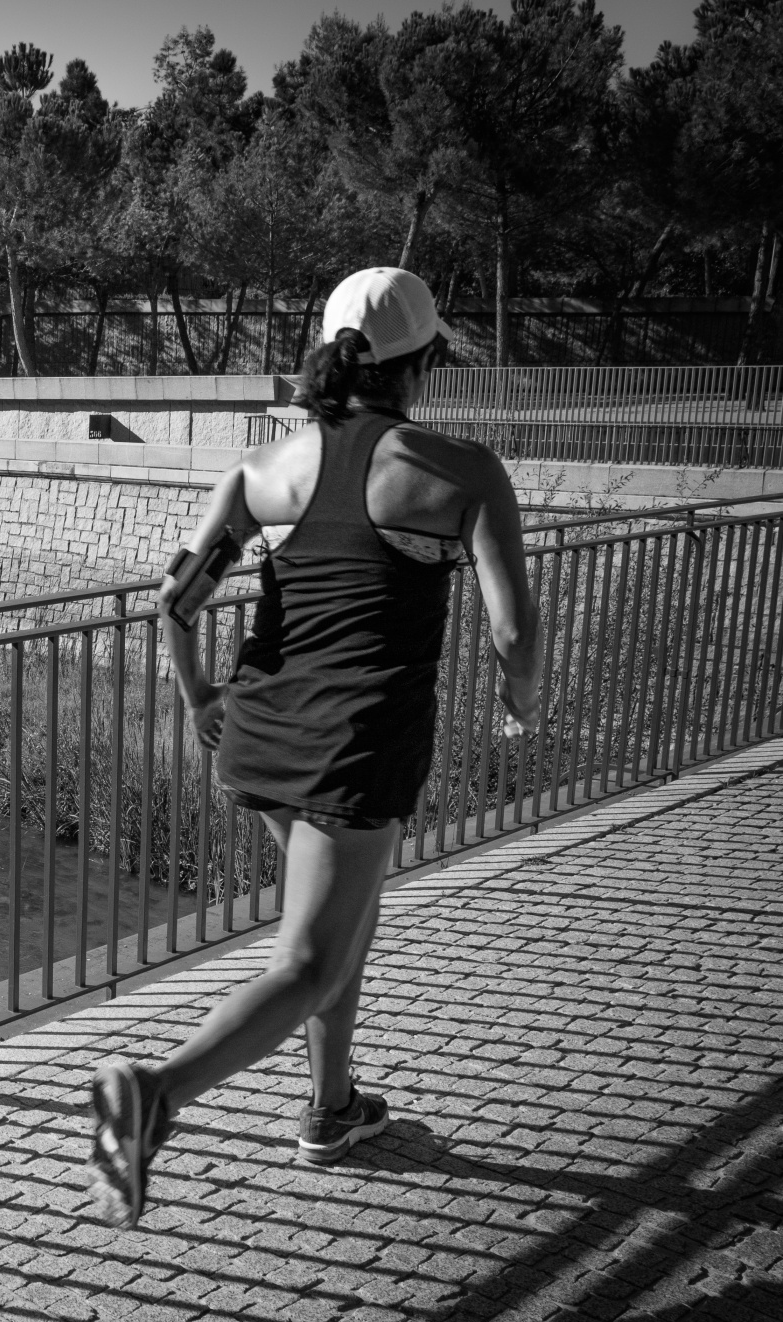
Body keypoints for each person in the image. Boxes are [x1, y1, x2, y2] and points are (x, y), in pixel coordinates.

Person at [86, 267, 540, 1228]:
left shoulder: (265, 471)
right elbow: (514, 637)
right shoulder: (459, 471)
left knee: (343, 938)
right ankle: (154, 1092)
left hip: (259, 738)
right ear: (424, 364)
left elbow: (174, 602)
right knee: (305, 960)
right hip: (356, 750)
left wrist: (201, 697)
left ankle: (331, 1112)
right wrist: (521, 702)